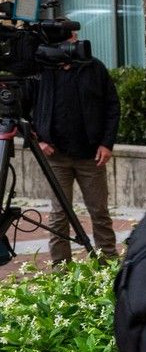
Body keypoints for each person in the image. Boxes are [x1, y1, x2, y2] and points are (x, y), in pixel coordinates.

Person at [30, 34, 120, 264]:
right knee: (59, 215)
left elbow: (112, 105)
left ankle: (107, 265)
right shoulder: (43, 71)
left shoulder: (93, 67)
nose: (74, 43)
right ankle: (61, 270)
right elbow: (25, 106)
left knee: (99, 213)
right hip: (56, 157)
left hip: (91, 156)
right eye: (69, 39)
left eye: (74, 38)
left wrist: (106, 143)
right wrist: (38, 139)